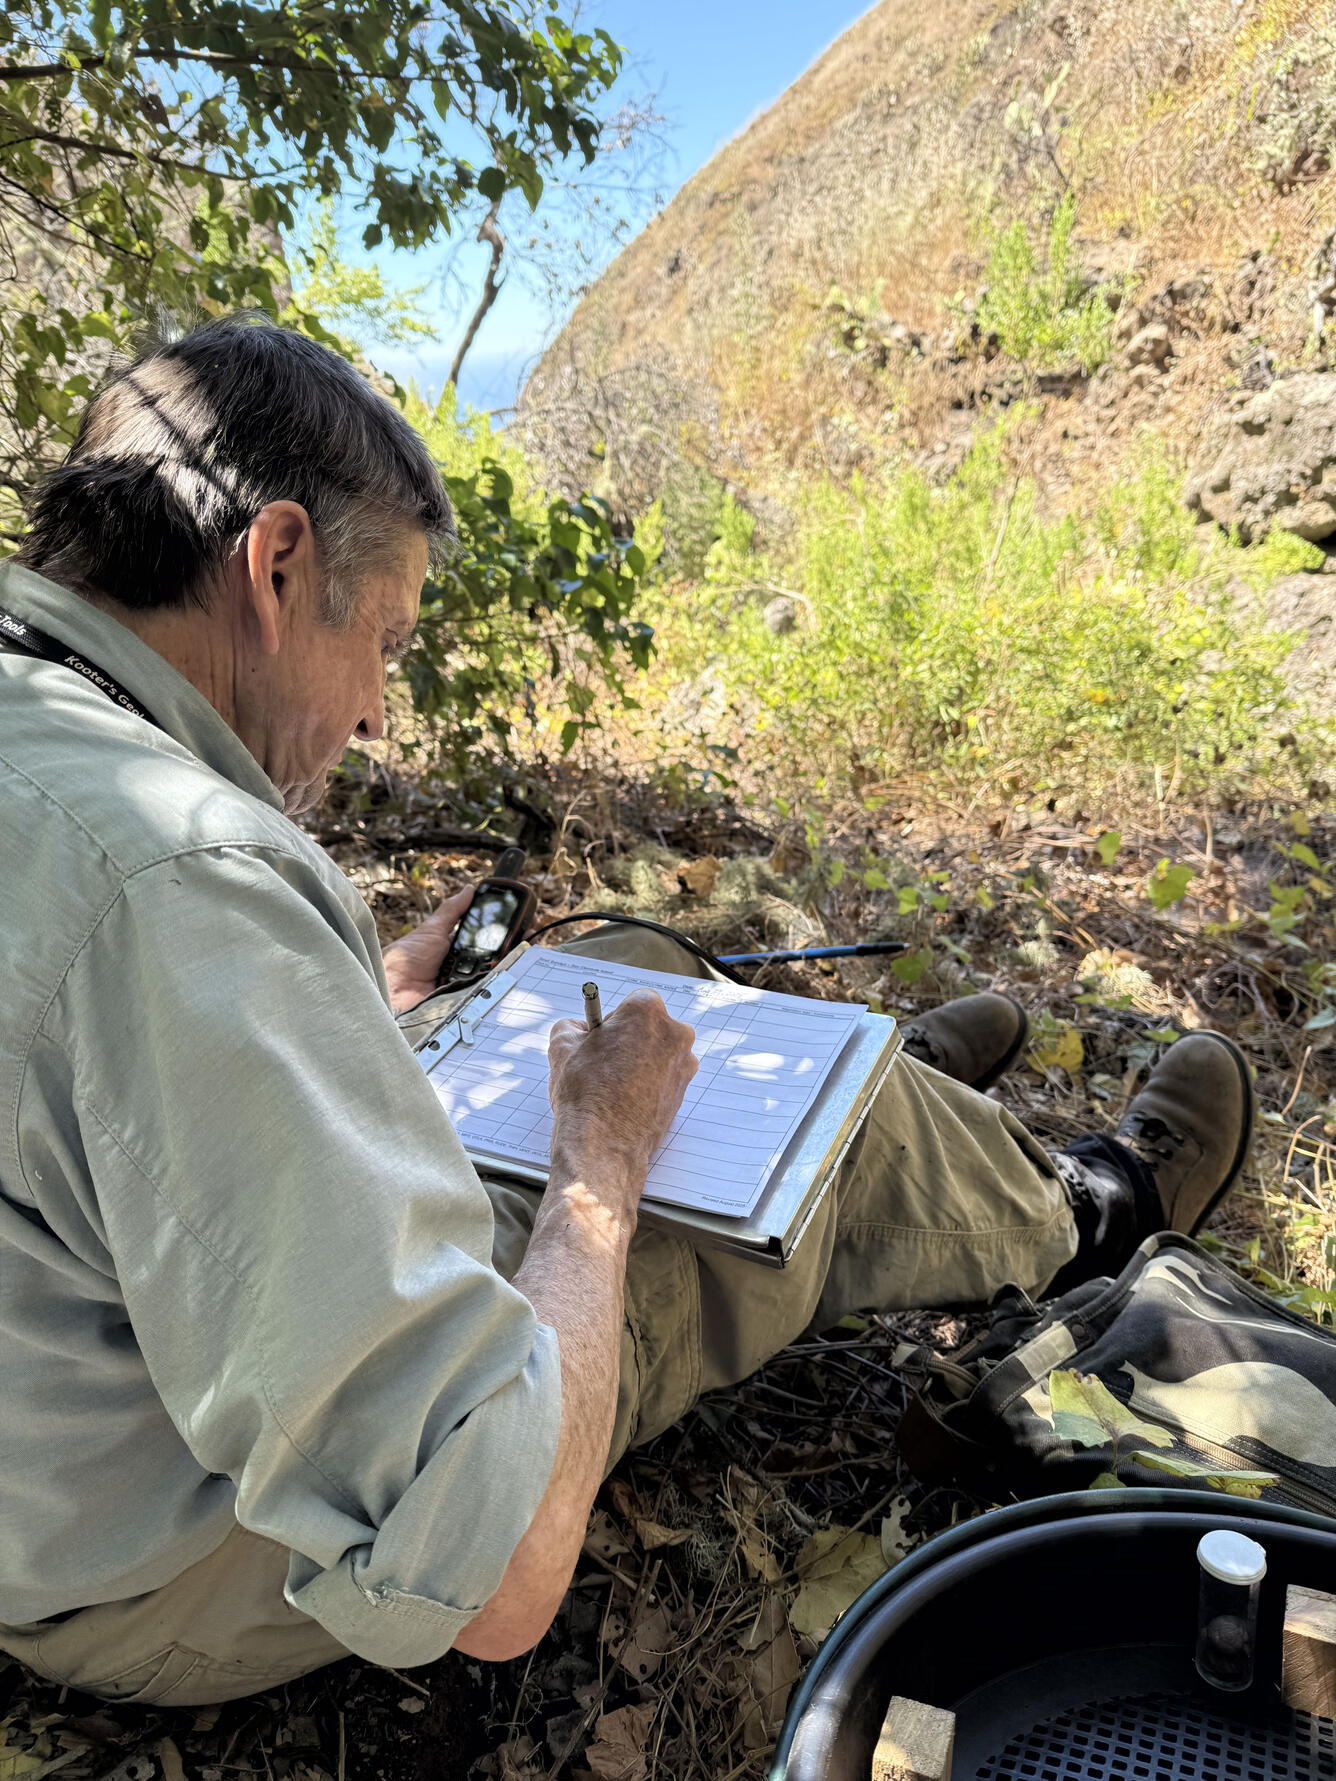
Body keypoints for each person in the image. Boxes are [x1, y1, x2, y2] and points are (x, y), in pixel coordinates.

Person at [0, 316, 1255, 1706]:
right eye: (390, 644)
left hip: (75, 1448)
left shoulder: (56, 741)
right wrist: (598, 1172)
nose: (374, 716)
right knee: (776, 1144)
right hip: (156, 1564)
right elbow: (496, 1562)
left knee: (627, 953)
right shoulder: (176, 873)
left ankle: (894, 1098)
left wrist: (362, 1000)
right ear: (279, 563)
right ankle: (1083, 1202)